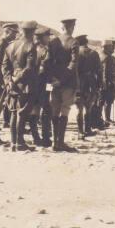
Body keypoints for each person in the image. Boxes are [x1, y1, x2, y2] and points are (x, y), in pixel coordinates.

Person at [2, 20, 39, 151]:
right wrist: (16, 80)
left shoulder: (10, 46)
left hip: (12, 84)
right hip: (26, 84)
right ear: (33, 31)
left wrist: (9, 81)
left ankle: (13, 142)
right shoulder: (31, 46)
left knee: (13, 113)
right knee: (22, 114)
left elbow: (4, 67)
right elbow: (29, 68)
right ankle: (20, 143)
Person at [47, 18, 79, 151]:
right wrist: (63, 79)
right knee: (64, 110)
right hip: (67, 82)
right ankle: (60, 142)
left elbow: (47, 62)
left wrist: (52, 78)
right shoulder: (74, 42)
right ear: (72, 27)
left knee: (55, 110)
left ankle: (55, 143)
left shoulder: (53, 42)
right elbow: (73, 63)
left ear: (62, 28)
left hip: (54, 82)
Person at [76, 34, 102, 135]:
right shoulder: (94, 53)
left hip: (79, 83)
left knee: (79, 108)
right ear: (86, 42)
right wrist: (99, 84)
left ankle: (80, 131)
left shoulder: (76, 53)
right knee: (89, 107)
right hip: (91, 83)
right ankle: (88, 129)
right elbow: (99, 71)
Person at [99, 39, 115, 127]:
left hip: (108, 82)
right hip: (107, 83)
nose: (113, 48)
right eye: (111, 47)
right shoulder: (106, 57)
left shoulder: (107, 57)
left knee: (107, 101)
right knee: (104, 101)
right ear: (106, 47)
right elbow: (104, 72)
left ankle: (106, 118)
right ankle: (102, 119)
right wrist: (105, 83)